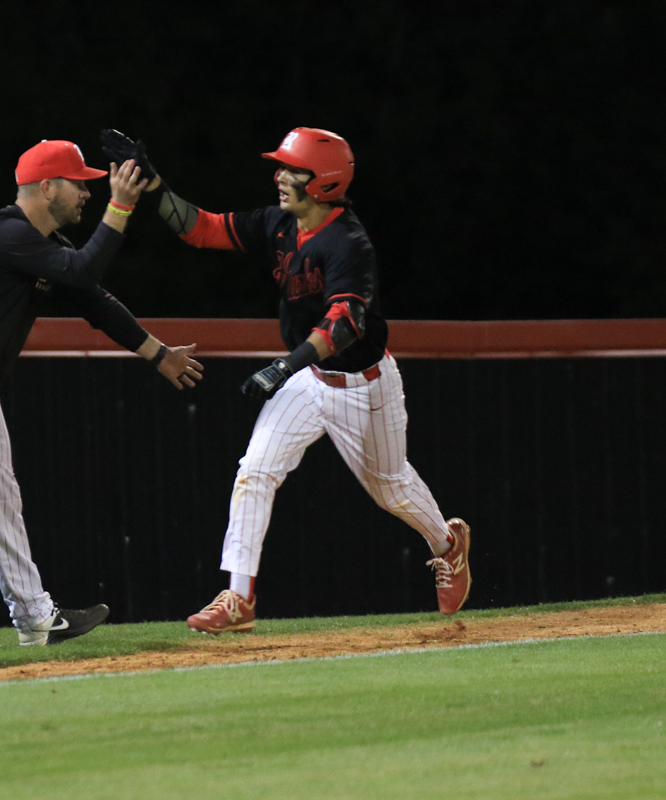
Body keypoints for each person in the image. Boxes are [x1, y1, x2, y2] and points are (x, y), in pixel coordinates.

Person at [101, 127, 470, 635]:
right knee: (255, 471)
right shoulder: (280, 223)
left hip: (365, 385)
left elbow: (345, 324)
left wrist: (282, 366)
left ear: (323, 182)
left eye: (292, 169)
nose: (279, 176)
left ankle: (448, 545)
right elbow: (202, 229)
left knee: (392, 489)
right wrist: (155, 184)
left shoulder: (348, 242)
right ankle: (239, 597)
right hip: (311, 378)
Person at [0, 139, 204, 657]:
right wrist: (121, 207)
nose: (87, 194)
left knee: (2, 505)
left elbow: (95, 300)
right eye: (79, 184)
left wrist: (157, 353)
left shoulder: (42, 248)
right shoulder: (2, 231)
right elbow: (84, 272)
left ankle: (35, 618)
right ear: (46, 187)